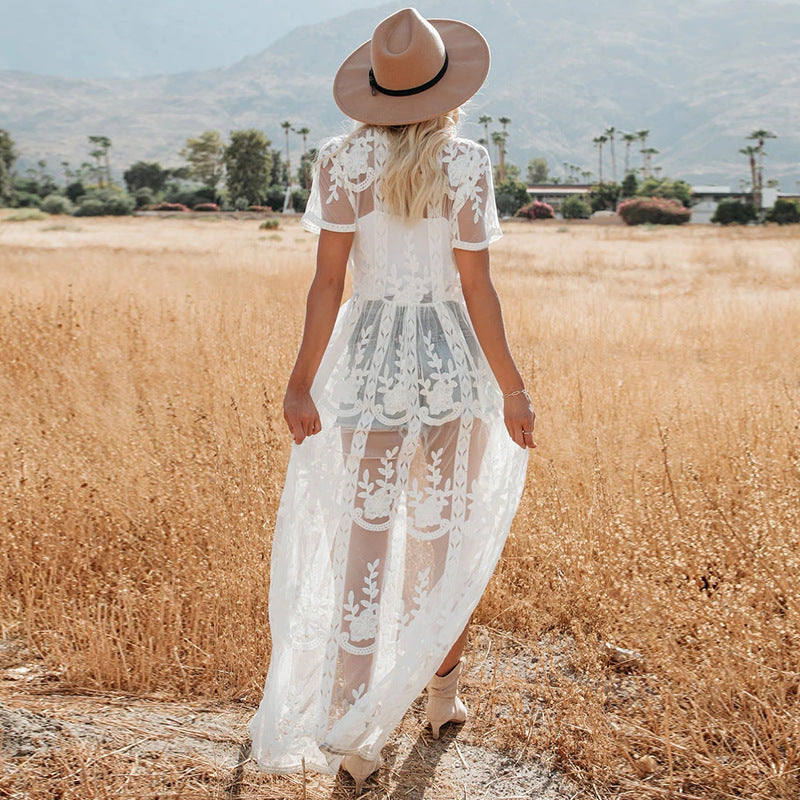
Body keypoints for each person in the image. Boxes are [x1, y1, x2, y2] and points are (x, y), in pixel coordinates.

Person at [249, 7, 535, 795]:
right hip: (452, 371)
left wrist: (300, 380)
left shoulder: (341, 161)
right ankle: (441, 699)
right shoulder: (467, 162)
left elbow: (327, 283)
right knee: (444, 546)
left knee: (363, 547)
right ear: (448, 89)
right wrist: (514, 388)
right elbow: (477, 288)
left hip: (368, 370)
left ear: (375, 90)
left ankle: (354, 735)